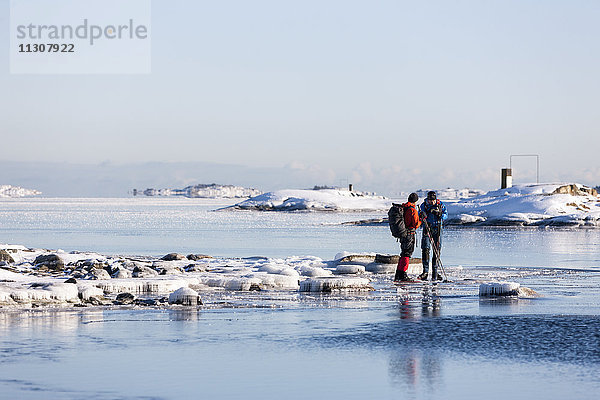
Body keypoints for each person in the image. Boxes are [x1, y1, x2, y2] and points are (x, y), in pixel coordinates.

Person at [419, 191, 448, 280]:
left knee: (437, 250)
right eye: (430, 200)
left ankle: (435, 272)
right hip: (427, 228)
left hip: (437, 228)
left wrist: (439, 214)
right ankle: (425, 272)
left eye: (433, 200)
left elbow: (446, 215)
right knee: (425, 249)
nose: (431, 202)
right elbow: (420, 214)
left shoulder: (441, 205)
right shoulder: (424, 205)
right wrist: (422, 215)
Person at [394, 192, 421, 282]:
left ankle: (399, 273)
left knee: (404, 253)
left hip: (403, 233)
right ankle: (403, 274)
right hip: (409, 234)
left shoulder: (404, 207)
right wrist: (422, 219)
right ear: (415, 201)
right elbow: (415, 224)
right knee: (407, 253)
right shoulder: (412, 210)